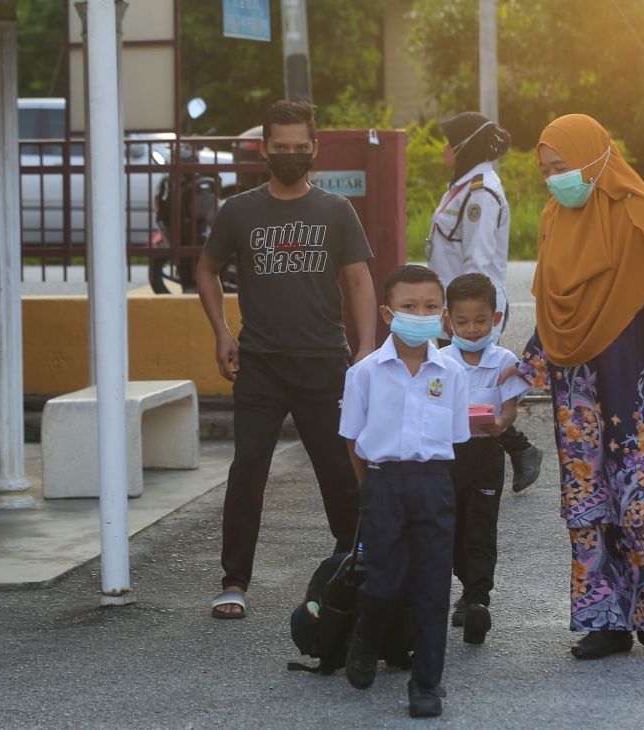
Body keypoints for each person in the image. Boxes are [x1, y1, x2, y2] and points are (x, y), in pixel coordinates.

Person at [506, 114, 644, 659]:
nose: (554, 180)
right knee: (589, 503)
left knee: (640, 503)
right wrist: (521, 375)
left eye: (563, 167)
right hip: (577, 390)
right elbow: (554, 312)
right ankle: (605, 620)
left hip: (638, 386)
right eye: (546, 171)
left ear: (595, 158)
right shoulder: (554, 218)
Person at [195, 100, 377, 619]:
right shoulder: (240, 211)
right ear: (264, 149)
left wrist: (365, 349)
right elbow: (206, 271)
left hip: (324, 362)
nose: (291, 155)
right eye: (282, 148)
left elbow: (360, 280)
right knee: (248, 468)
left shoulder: (335, 211)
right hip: (260, 365)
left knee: (342, 471)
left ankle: (352, 566)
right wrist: (221, 332)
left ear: (314, 149)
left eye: (301, 148)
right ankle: (233, 581)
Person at [339, 265, 470, 718]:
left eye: (431, 307)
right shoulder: (365, 372)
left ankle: (426, 684)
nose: (421, 314)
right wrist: (370, 489)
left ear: (444, 314)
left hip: (434, 483)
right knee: (384, 581)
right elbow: (353, 439)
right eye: (409, 307)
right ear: (387, 312)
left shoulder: (452, 372)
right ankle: (365, 638)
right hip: (383, 483)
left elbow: (455, 437)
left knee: (433, 587)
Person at [425, 111, 543, 493]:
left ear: (464, 146)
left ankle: (509, 452)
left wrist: (462, 315)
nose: (443, 151)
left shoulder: (481, 193)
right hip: (453, 307)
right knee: (461, 385)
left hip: (469, 306)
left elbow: (477, 259)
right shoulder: (463, 186)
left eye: (448, 143)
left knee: (463, 384)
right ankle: (510, 451)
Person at [439, 273, 530, 644]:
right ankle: (464, 585)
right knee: (452, 529)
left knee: (481, 528)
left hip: (486, 455)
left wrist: (501, 423)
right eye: (462, 321)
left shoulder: (504, 360)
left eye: (480, 320)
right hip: (448, 456)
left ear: (495, 318)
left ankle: (478, 600)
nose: (472, 329)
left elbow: (509, 410)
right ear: (448, 320)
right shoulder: (440, 360)